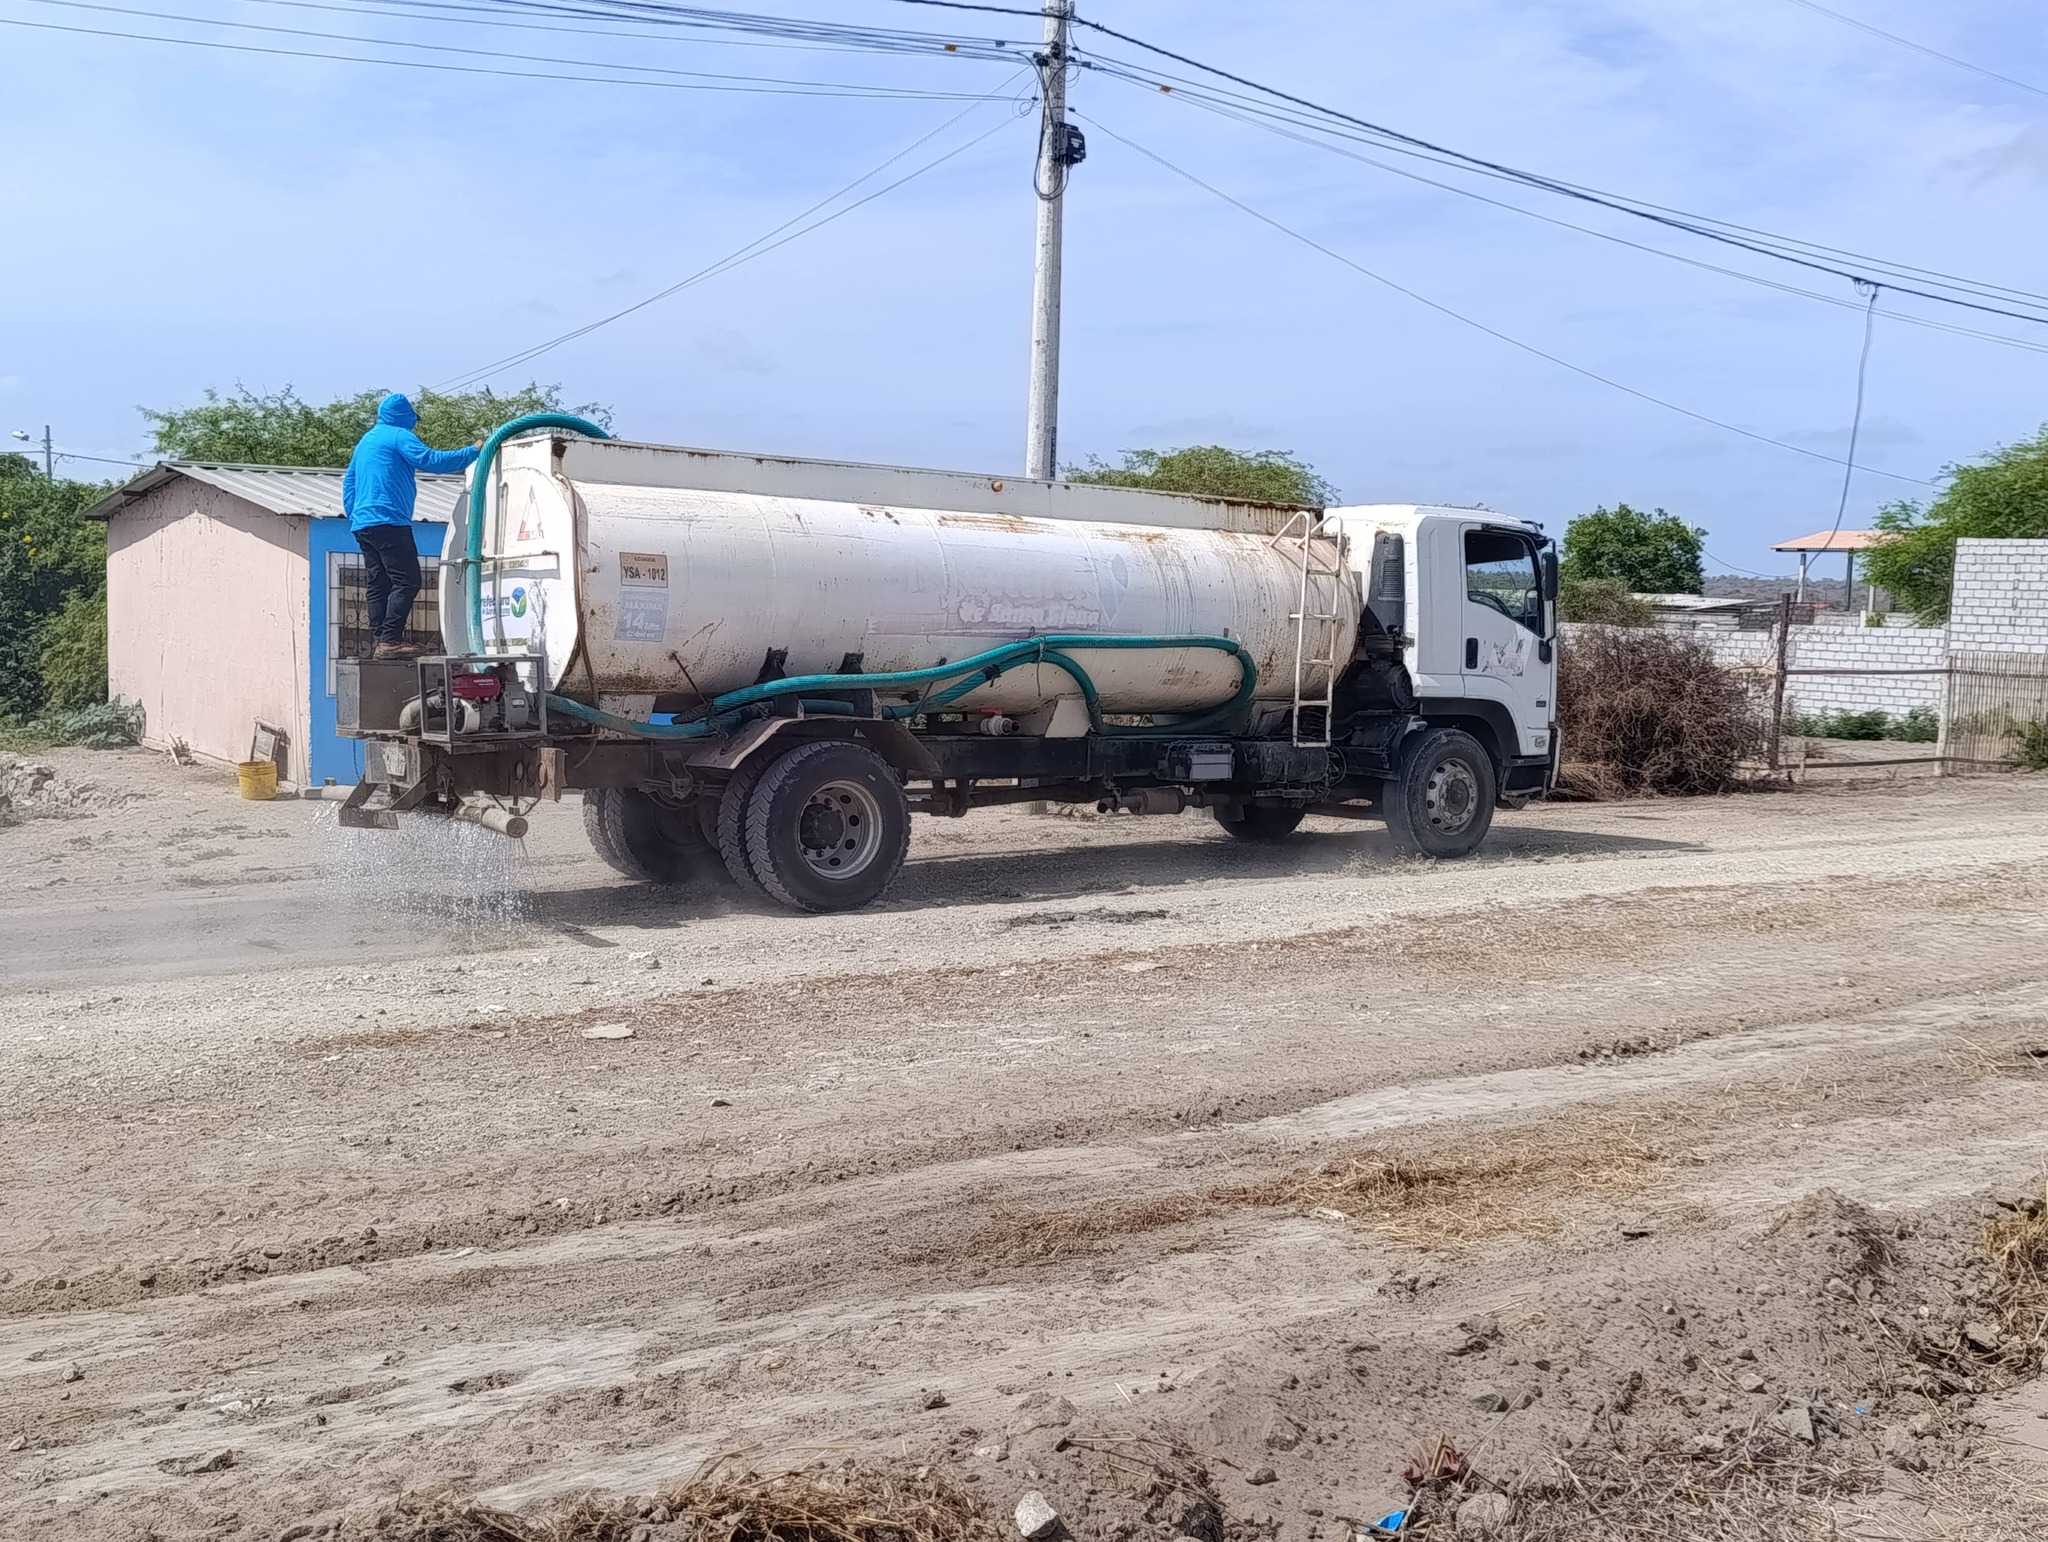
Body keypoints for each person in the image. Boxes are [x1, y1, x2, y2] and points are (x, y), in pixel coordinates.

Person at [342, 393, 480, 660]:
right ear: (405, 416)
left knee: (379, 583)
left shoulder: (366, 440)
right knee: (408, 580)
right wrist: (473, 451)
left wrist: (355, 515)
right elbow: (431, 460)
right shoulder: (399, 436)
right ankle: (390, 640)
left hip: (364, 524)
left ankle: (381, 640)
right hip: (390, 521)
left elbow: (349, 482)